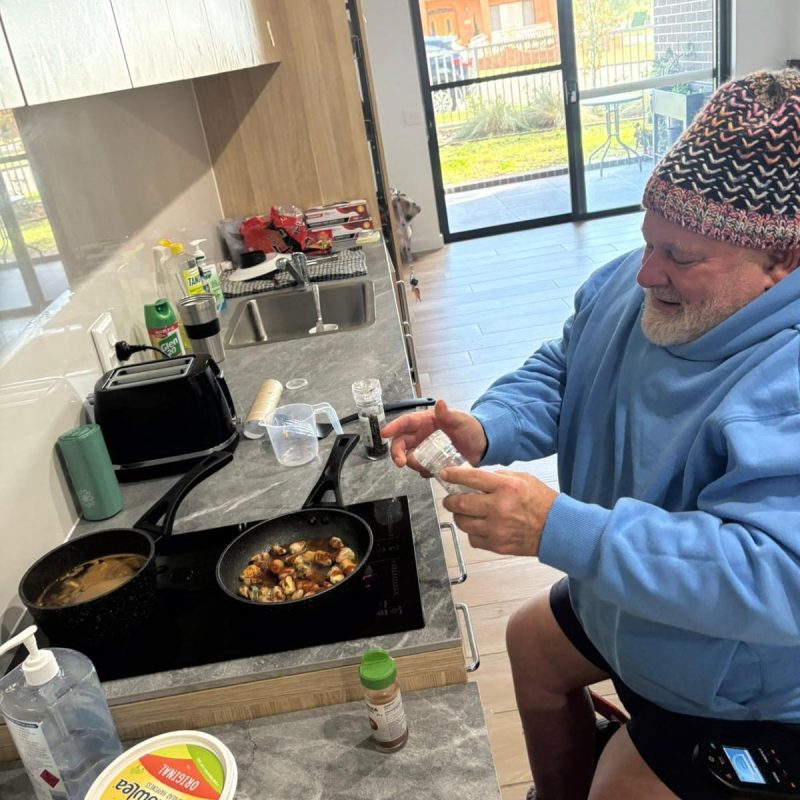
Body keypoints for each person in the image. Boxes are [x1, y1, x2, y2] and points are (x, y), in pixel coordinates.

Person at [382, 68, 800, 800]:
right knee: (528, 643)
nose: (647, 273)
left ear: (781, 261)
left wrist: (566, 531)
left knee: (621, 787)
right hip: (638, 602)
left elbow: (774, 576)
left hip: (747, 677)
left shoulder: (784, 380)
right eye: (649, 240)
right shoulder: (633, 285)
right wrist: (486, 427)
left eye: (682, 258)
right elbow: (566, 366)